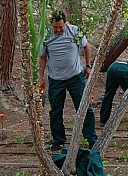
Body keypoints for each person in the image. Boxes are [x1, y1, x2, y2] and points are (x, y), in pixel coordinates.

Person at [38, 10, 97, 151]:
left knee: (83, 107)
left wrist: (88, 66)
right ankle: (58, 140)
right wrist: (41, 78)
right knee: (55, 111)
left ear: (65, 23)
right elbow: (42, 57)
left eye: (60, 27)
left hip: (75, 77)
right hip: (56, 79)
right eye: (55, 27)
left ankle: (91, 138)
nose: (58, 30)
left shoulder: (75, 31)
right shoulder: (46, 35)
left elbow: (86, 46)